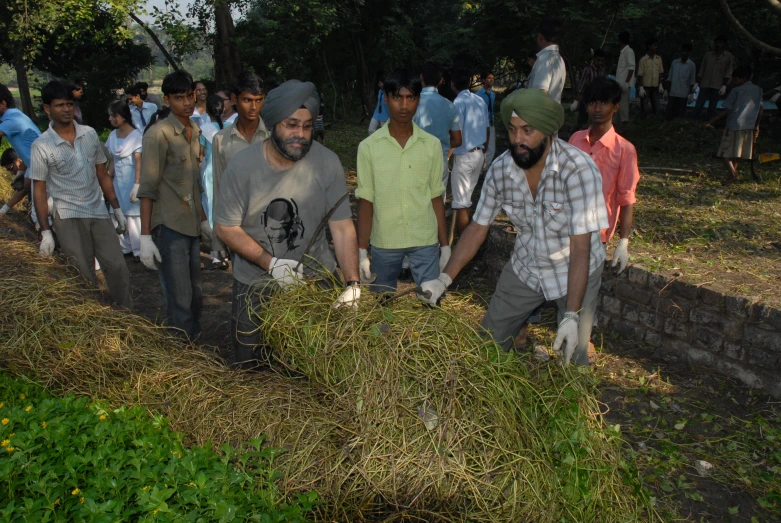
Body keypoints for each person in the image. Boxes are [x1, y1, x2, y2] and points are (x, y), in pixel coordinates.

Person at [421, 89, 608, 366]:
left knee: (575, 357)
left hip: (576, 268)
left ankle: (577, 386)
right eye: (512, 130)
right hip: (527, 266)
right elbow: (477, 228)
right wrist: (443, 279)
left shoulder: (578, 170)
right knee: (486, 346)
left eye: (527, 131)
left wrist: (571, 316)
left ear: (547, 132)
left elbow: (580, 247)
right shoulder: (500, 171)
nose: (518, 140)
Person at [213, 79, 361, 368]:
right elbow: (225, 227)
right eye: (291, 125)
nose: (300, 135)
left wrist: (353, 283)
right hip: (255, 286)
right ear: (272, 125)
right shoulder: (242, 167)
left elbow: (342, 227)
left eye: (307, 126)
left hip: (314, 283)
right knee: (251, 370)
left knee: (311, 368)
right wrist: (270, 263)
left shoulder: (326, 162)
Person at [28, 81, 132, 308]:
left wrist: (116, 208)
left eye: (69, 104)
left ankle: (127, 317)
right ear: (48, 109)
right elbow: (39, 189)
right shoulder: (41, 145)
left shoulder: (89, 134)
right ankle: (94, 324)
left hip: (98, 211)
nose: (66, 109)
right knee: (82, 274)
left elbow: (102, 173)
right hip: (67, 216)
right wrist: (46, 231)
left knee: (117, 267)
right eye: (59, 105)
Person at [356, 68, 449, 295]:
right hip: (385, 240)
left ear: (418, 100)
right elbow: (366, 202)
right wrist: (361, 252)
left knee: (430, 302)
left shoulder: (432, 145)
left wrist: (445, 245)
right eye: (397, 97)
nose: (404, 105)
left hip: (425, 239)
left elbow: (436, 196)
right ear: (386, 99)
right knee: (381, 304)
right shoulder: (368, 147)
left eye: (410, 98)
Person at [137, 70, 211, 339]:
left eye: (190, 96)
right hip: (168, 226)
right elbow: (148, 188)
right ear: (167, 100)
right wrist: (145, 236)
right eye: (179, 98)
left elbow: (194, 183)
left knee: (195, 294)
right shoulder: (158, 134)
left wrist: (203, 219)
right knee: (180, 298)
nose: (187, 103)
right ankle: (183, 351)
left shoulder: (194, 131)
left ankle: (192, 341)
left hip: (190, 223)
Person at [569, 77, 640, 272]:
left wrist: (623, 241)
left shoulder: (625, 149)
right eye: (592, 103)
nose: (597, 109)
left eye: (604, 103)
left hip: (596, 233)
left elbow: (626, 198)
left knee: (586, 292)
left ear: (616, 107)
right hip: (566, 227)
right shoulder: (576, 139)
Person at [211, 71, 269, 261]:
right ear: (234, 99)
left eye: (259, 100)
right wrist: (218, 238)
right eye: (248, 100)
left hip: (272, 225)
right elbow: (219, 188)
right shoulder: (221, 140)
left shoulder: (273, 136)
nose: (254, 107)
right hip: (238, 228)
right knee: (244, 286)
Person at [705, 66, 763, 185]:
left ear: (742, 79)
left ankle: (733, 175)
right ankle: (731, 176)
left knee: (723, 153)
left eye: (736, 80)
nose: (734, 82)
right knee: (737, 153)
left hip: (734, 125)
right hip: (749, 125)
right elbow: (761, 108)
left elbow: (727, 109)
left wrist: (711, 121)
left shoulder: (736, 90)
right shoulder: (758, 89)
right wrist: (757, 125)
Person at [412, 60, 462, 197]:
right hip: (440, 161)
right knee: (437, 206)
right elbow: (458, 140)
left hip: (415, 161)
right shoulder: (450, 106)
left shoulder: (412, 103)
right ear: (441, 81)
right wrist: (442, 143)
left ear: (421, 77)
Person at [450, 67, 489, 234]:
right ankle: (466, 238)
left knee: (461, 203)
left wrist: (447, 155)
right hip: (479, 153)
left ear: (453, 84)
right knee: (467, 199)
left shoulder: (458, 103)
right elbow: (487, 128)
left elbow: (456, 133)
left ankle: (463, 243)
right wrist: (484, 151)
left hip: (465, 156)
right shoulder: (480, 100)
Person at [106, 100, 143, 260]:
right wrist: (107, 178)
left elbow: (138, 161)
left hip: (131, 181)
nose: (111, 119)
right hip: (118, 182)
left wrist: (137, 184)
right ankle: (124, 247)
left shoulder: (136, 136)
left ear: (123, 116)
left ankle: (139, 249)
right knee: (118, 213)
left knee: (134, 216)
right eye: (110, 116)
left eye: (113, 116)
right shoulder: (113, 135)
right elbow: (113, 160)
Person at [0, 83, 42, 221]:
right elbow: (26, 152)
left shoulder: (11, 121)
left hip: (44, 169)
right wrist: (20, 173)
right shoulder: (15, 116)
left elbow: (24, 188)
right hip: (38, 166)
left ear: (2, 103)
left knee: (40, 215)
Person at [199, 94, 227, 270]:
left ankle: (216, 254)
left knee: (211, 210)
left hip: (209, 173)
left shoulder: (204, 129)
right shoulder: (229, 128)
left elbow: (200, 155)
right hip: (226, 171)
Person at [693, 35, 733, 121]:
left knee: (712, 106)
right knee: (699, 104)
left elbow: (728, 71)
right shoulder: (708, 55)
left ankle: (708, 123)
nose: (718, 44)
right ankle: (694, 122)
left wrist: (724, 85)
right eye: (717, 42)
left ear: (724, 44)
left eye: (720, 43)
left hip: (717, 85)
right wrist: (697, 82)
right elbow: (702, 69)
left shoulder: (728, 56)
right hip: (705, 83)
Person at [527, 18, 566, 103]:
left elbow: (540, 94)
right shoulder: (559, 59)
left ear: (541, 37)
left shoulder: (544, 59)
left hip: (540, 114)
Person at [571, 49, 606, 129]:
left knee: (594, 124)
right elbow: (581, 86)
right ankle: (573, 137)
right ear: (594, 59)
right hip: (586, 101)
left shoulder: (601, 71)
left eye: (601, 61)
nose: (600, 62)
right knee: (581, 122)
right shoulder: (588, 70)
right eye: (598, 60)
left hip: (597, 101)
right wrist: (576, 101)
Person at [666, 43, 696, 121]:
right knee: (669, 114)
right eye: (683, 51)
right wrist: (666, 90)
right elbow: (670, 77)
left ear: (689, 53)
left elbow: (692, 81)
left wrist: (691, 94)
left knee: (680, 115)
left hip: (683, 94)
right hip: (673, 93)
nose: (684, 53)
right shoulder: (674, 62)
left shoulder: (692, 65)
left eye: (686, 51)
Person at [636, 38, 664, 118]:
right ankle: (643, 120)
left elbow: (660, 72)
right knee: (644, 107)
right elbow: (640, 74)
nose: (656, 47)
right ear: (649, 46)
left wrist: (660, 84)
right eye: (654, 45)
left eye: (656, 45)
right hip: (646, 87)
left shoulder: (658, 59)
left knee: (657, 107)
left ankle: (656, 121)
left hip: (655, 86)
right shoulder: (643, 60)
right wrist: (641, 87)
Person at [615, 31, 636, 128]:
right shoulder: (622, 52)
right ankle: (617, 127)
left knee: (624, 108)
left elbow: (631, 67)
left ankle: (625, 128)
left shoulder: (629, 51)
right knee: (618, 107)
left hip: (624, 84)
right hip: (619, 84)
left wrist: (626, 82)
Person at [475, 71, 496, 166]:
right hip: (481, 124)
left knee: (491, 148)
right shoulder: (478, 95)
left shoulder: (492, 94)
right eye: (488, 78)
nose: (491, 80)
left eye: (492, 78)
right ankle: (479, 167)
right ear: (483, 80)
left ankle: (485, 168)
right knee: (481, 146)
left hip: (490, 123)